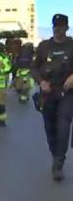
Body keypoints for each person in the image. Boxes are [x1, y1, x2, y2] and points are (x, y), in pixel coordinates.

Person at [31, 13, 73, 181]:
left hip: (67, 93)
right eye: (55, 26)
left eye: (61, 27)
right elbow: (34, 68)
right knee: (50, 130)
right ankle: (55, 154)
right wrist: (41, 81)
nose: (57, 30)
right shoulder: (43, 46)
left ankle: (58, 164)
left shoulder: (72, 45)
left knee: (63, 127)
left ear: (67, 28)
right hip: (47, 94)